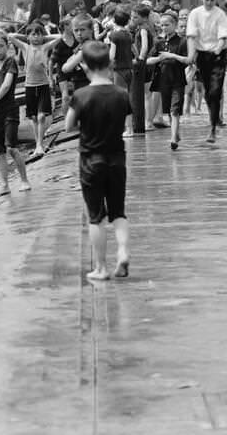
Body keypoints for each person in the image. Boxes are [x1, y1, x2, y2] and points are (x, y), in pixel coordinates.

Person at [65, 40, 131, 281]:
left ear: (85, 66)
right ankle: (123, 251)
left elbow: (68, 126)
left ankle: (101, 267)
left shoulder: (82, 95)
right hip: (117, 160)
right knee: (118, 212)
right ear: (110, 64)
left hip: (91, 161)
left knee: (96, 216)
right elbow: (124, 120)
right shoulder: (121, 94)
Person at [0, 31, 29, 196]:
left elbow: (7, 85)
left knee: (12, 148)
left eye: (0, 46)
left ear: (7, 47)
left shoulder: (10, 62)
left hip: (9, 109)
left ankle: (24, 180)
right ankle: (4, 184)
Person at [7, 25, 61, 157]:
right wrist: (26, 37)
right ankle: (38, 143)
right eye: (33, 34)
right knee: (33, 117)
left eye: (38, 34)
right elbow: (10, 36)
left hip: (43, 85)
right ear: (28, 36)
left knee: (42, 116)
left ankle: (39, 145)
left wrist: (44, 37)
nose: (35, 37)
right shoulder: (26, 47)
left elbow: (59, 37)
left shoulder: (45, 47)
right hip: (30, 85)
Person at [185, 0, 227, 146]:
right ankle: (213, 112)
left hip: (218, 55)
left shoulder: (220, 14)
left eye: (212, 0)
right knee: (207, 91)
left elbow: (223, 35)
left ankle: (212, 128)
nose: (209, 2)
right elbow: (191, 35)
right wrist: (191, 56)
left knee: (215, 89)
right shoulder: (195, 14)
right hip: (202, 55)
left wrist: (218, 48)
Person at [146, 11, 189, 149]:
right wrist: (160, 58)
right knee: (169, 110)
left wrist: (172, 56)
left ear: (175, 25)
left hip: (178, 80)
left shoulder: (182, 41)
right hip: (163, 80)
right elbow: (148, 60)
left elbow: (188, 60)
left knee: (175, 110)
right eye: (162, 25)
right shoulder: (158, 42)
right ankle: (175, 133)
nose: (164, 28)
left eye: (167, 25)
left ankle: (173, 138)